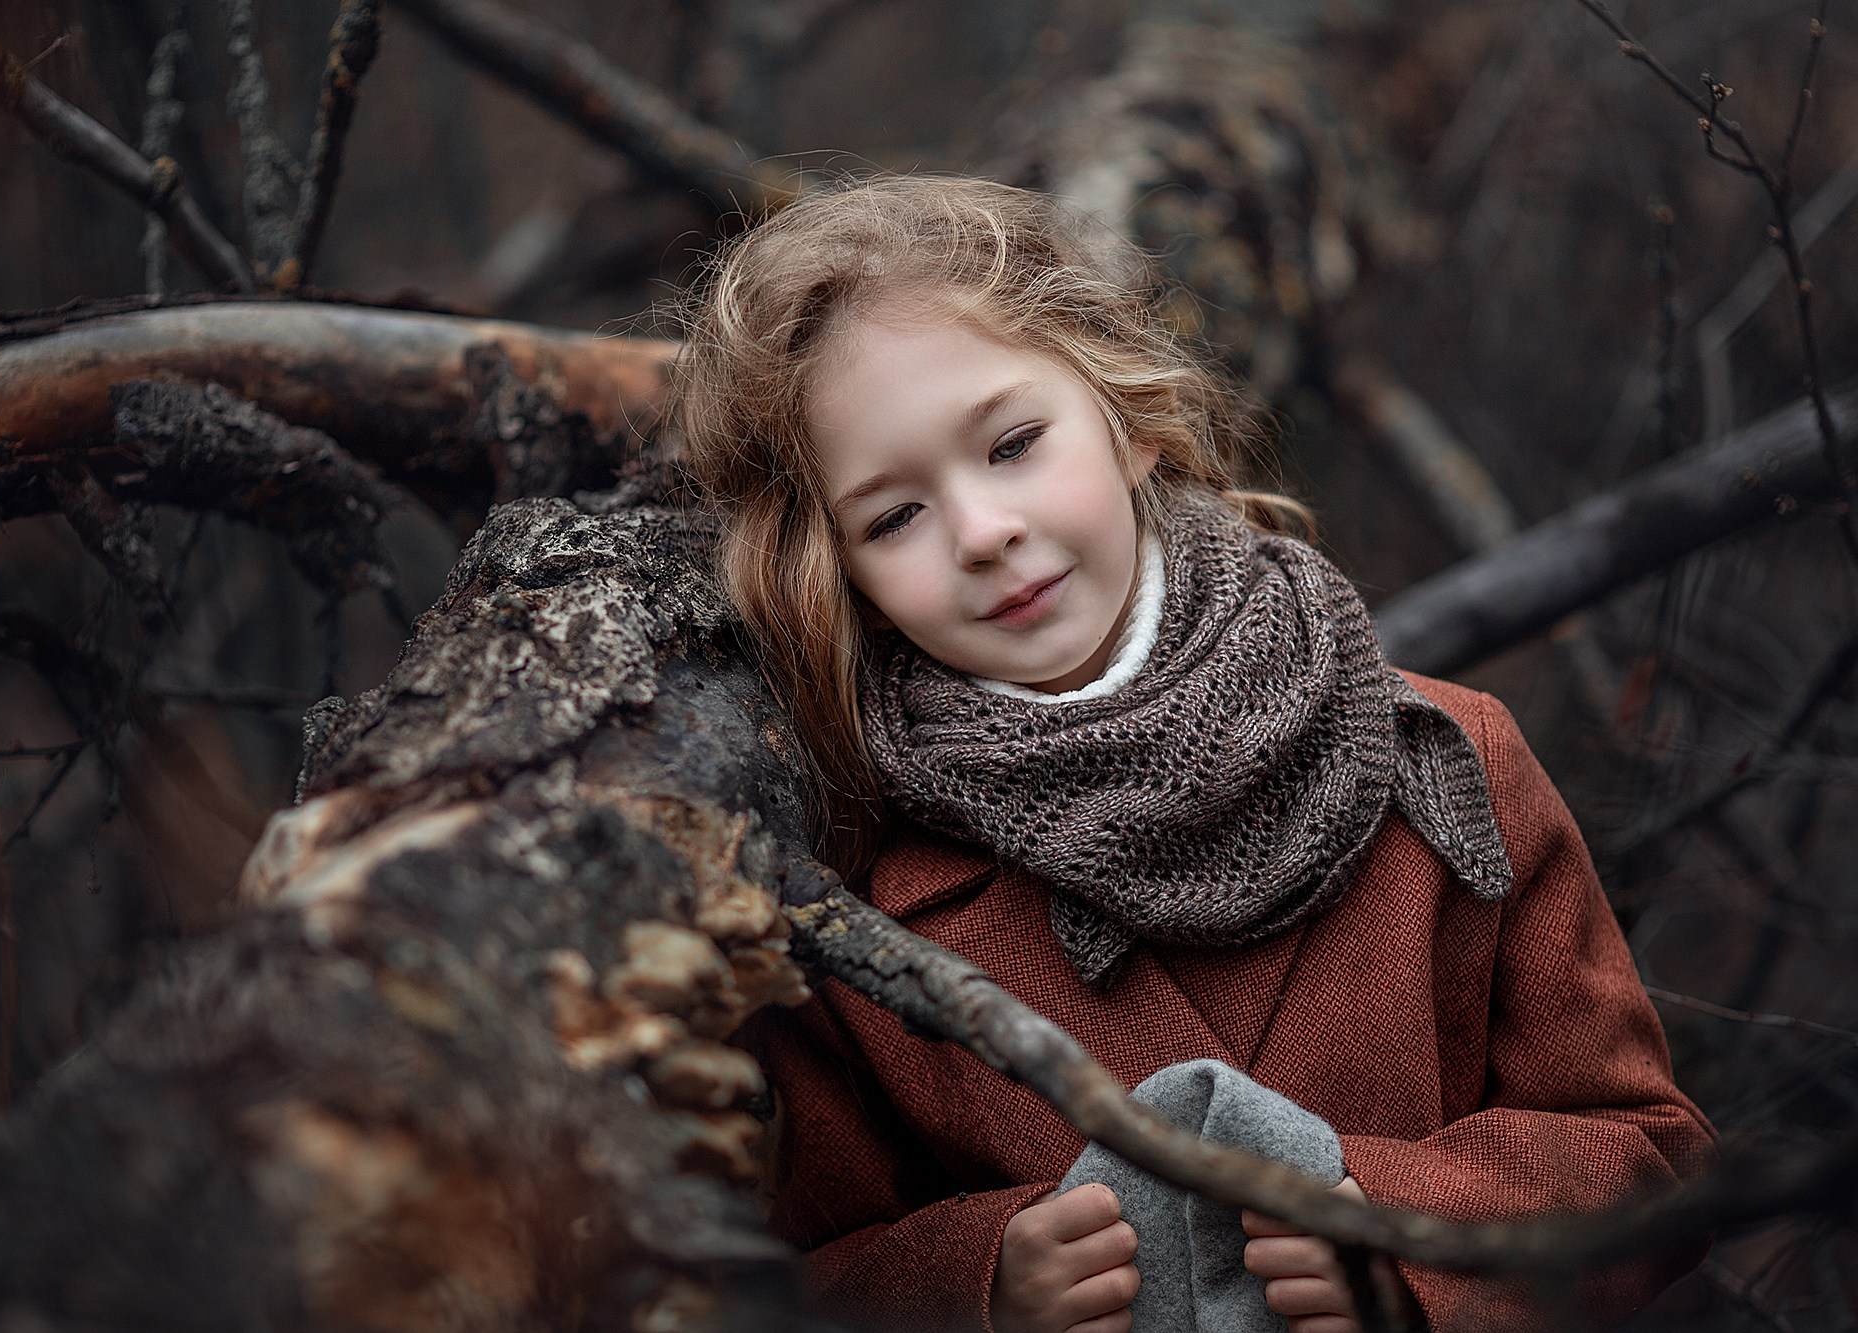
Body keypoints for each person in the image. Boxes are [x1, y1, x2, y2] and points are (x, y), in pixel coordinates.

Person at [671, 175, 1714, 1333]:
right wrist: (977, 1283)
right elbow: (777, 1280)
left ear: (1127, 421)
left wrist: (1415, 1240)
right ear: (842, 585)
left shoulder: (1444, 758)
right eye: (892, 517)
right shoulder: (846, 897)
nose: (982, 531)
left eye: (1012, 443)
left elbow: (1646, 1155)